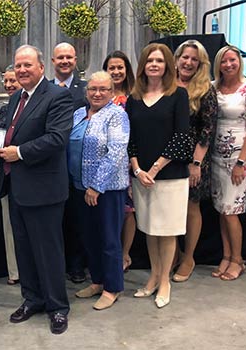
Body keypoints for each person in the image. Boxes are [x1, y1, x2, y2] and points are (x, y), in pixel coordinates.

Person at [0, 44, 73, 334]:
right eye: (18, 66)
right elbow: (9, 131)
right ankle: (32, 299)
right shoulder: (17, 98)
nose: (21, 70)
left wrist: (17, 153)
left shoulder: (57, 96)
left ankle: (57, 307)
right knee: (24, 250)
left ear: (41, 68)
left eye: (27, 65)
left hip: (44, 190)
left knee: (48, 251)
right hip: (16, 187)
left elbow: (56, 139)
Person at [126, 43, 192, 309]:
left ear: (168, 65)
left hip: (170, 175)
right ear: (143, 65)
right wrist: (137, 170)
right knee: (150, 230)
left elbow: (181, 137)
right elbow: (129, 139)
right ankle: (153, 276)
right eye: (150, 60)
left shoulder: (178, 95)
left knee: (167, 231)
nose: (154, 65)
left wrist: (152, 170)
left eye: (160, 61)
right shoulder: (134, 97)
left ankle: (165, 280)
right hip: (140, 175)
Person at [70, 71, 129, 310]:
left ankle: (112, 287)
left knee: (109, 239)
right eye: (93, 89)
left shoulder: (117, 115)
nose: (97, 93)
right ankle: (97, 280)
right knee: (89, 238)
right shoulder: (77, 114)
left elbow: (116, 152)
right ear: (86, 92)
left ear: (112, 92)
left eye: (103, 89)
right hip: (78, 186)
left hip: (107, 189)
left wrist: (96, 185)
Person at [211, 45, 246, 281]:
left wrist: (241, 161)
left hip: (238, 157)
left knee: (232, 211)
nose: (228, 65)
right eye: (224, 61)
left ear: (239, 61)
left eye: (232, 60)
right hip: (216, 156)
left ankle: (237, 259)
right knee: (222, 210)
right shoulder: (214, 87)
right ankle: (226, 255)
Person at [172, 40, 217, 282]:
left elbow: (207, 130)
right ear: (177, 59)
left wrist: (196, 164)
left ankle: (188, 256)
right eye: (185, 57)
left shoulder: (205, 89)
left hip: (193, 160)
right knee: (169, 208)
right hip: (168, 157)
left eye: (194, 59)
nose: (188, 62)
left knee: (191, 207)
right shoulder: (167, 84)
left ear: (200, 64)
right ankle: (175, 254)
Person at [50, 42, 88, 283]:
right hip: (49, 164)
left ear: (76, 60)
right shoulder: (42, 89)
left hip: (76, 164)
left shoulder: (86, 90)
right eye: (60, 57)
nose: (65, 61)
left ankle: (76, 266)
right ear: (53, 62)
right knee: (54, 220)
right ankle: (55, 265)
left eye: (69, 57)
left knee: (76, 218)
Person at [103, 50, 136, 272]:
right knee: (108, 210)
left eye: (120, 67)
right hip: (103, 162)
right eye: (111, 68)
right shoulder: (100, 94)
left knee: (128, 210)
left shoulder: (135, 96)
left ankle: (125, 254)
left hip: (127, 160)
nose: (116, 71)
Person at [0, 66, 21, 285]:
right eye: (6, 82)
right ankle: (14, 272)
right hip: (5, 175)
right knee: (8, 224)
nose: (10, 85)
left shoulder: (35, 106)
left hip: (29, 175)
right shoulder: (4, 110)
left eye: (14, 81)